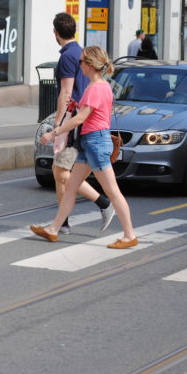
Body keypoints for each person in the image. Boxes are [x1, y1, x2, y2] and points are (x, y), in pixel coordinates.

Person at [30, 45, 137, 249]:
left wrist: (53, 133)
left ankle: (129, 235)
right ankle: (53, 229)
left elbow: (80, 119)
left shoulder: (95, 88)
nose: (79, 65)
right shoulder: (103, 86)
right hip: (90, 143)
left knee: (113, 191)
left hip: (95, 143)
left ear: (89, 65)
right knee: (70, 188)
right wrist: (76, 104)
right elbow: (88, 113)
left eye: (81, 62)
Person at [50, 13, 115, 235]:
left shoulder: (68, 57)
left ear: (56, 33)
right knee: (60, 171)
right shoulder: (79, 52)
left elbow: (66, 93)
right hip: (84, 123)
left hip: (75, 122)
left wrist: (57, 126)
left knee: (61, 171)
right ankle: (62, 224)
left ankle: (103, 203)